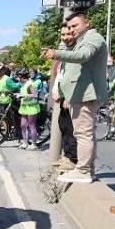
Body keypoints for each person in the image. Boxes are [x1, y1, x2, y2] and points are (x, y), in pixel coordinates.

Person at [41, 11, 108, 183]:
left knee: (83, 134)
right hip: (80, 93)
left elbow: (82, 56)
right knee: (85, 133)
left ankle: (83, 170)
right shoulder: (80, 41)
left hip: (86, 93)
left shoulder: (93, 38)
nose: (71, 30)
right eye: (69, 27)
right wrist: (64, 43)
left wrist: (56, 53)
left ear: (87, 23)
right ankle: (88, 169)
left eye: (75, 26)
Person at [52, 23, 78, 170]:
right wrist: (56, 90)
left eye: (69, 34)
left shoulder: (77, 52)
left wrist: (69, 97)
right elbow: (61, 75)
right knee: (64, 127)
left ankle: (73, 160)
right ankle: (67, 157)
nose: (66, 37)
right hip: (63, 97)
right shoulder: (65, 53)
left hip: (72, 98)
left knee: (72, 129)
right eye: (63, 35)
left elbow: (76, 76)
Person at [15, 69, 39, 150]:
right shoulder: (24, 84)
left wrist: (24, 96)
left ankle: (34, 144)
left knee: (32, 126)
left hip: (32, 108)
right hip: (25, 108)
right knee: (23, 125)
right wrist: (18, 94)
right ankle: (25, 142)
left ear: (21, 76)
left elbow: (35, 95)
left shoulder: (29, 84)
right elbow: (24, 93)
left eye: (18, 76)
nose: (17, 78)